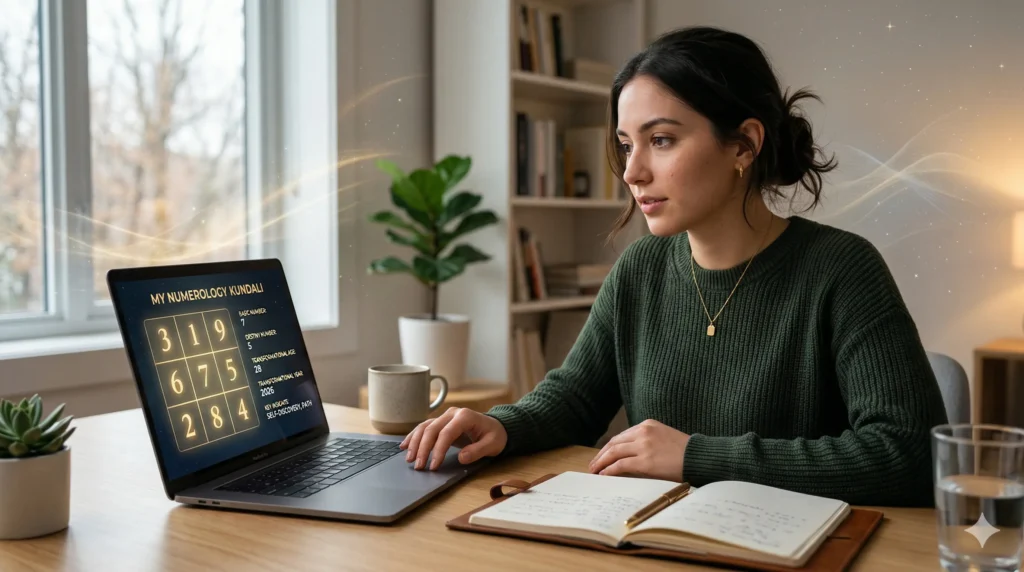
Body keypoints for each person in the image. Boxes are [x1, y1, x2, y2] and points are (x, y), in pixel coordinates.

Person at [400, 25, 948, 507]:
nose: (632, 172)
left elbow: (908, 454)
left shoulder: (842, 270)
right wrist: (501, 424)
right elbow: (575, 398)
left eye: (661, 140)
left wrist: (695, 457)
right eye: (626, 144)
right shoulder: (642, 267)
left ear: (744, 145)